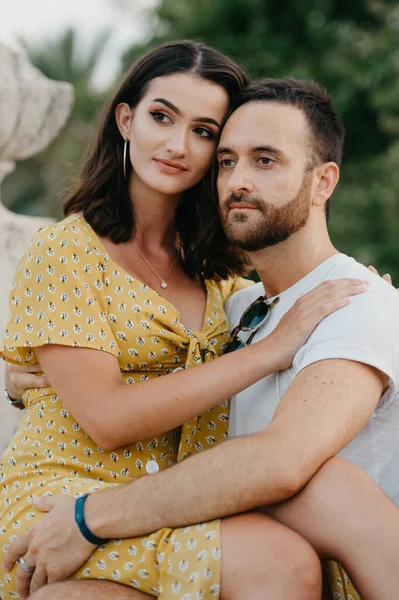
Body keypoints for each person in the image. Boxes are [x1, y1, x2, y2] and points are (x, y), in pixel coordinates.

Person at [0, 42, 372, 600]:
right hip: (67, 495)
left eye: (204, 131)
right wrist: (268, 351)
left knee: (310, 540)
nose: (178, 145)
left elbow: (292, 297)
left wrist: (363, 288)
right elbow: (107, 418)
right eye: (161, 117)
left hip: (173, 498)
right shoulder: (66, 251)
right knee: (277, 562)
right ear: (126, 120)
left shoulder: (222, 276)